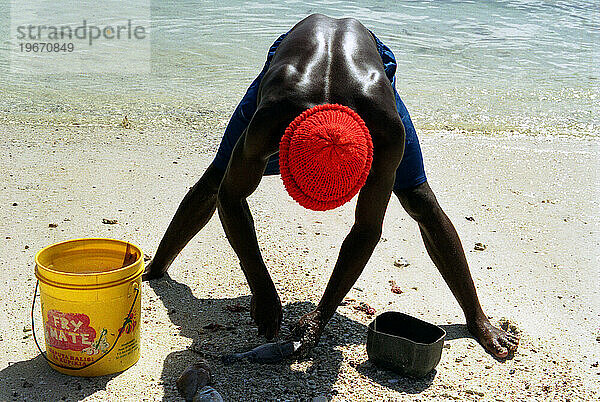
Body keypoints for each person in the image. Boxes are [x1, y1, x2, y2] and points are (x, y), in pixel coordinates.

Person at [143, 14, 519, 358]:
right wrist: (260, 285)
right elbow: (230, 195)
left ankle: (476, 317)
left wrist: (322, 314)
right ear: (283, 148)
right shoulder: (271, 115)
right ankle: (157, 267)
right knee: (218, 177)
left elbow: (367, 228)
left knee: (419, 198)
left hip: (370, 67)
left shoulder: (386, 129)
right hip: (290, 60)